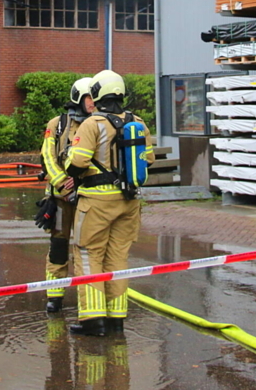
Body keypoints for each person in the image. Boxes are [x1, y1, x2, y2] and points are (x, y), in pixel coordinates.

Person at [64, 70, 154, 336]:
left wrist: (69, 166)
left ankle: (93, 321)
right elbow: (148, 160)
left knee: (88, 255)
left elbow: (77, 162)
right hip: (129, 202)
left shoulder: (92, 124)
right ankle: (116, 319)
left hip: (96, 202)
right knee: (117, 257)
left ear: (99, 93)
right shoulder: (138, 122)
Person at [39, 77, 95, 313]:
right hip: (61, 199)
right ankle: (55, 296)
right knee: (59, 246)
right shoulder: (57, 124)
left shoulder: (100, 124)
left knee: (88, 248)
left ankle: (89, 298)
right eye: (90, 98)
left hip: (88, 198)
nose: (94, 103)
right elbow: (47, 157)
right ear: (78, 98)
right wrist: (62, 182)